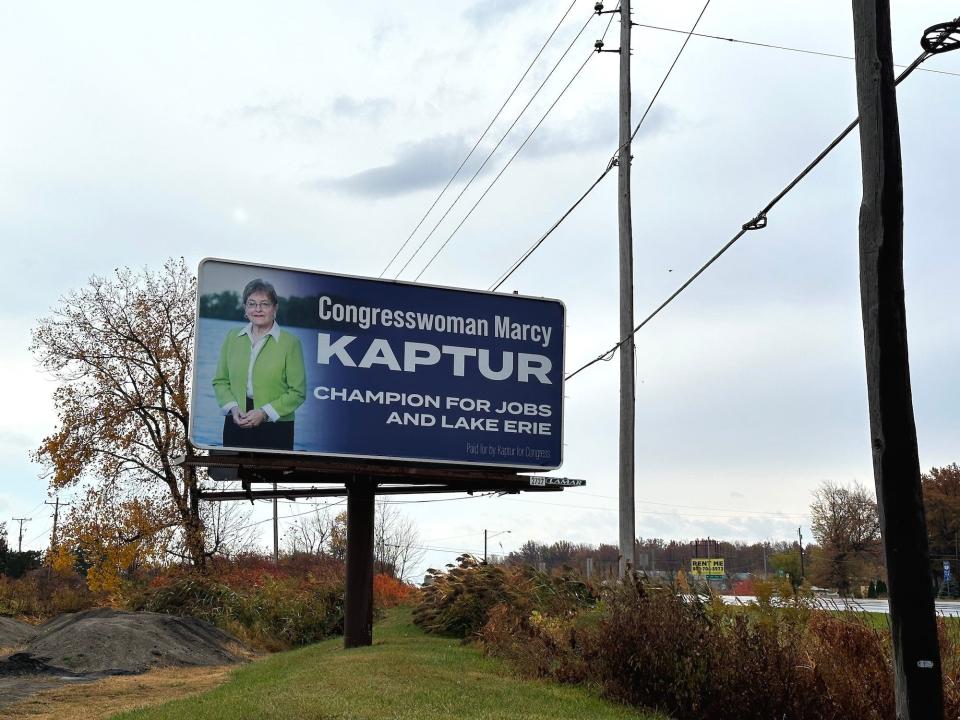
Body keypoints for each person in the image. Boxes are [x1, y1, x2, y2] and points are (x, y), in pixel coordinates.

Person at [212, 278, 306, 450]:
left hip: (275, 426)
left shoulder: (290, 343)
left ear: (275, 308)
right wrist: (233, 409)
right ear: (245, 308)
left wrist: (264, 413)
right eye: (252, 303)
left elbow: (298, 392)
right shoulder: (232, 337)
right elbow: (220, 381)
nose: (258, 309)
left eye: (264, 304)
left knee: (273, 476)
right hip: (236, 420)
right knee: (235, 474)